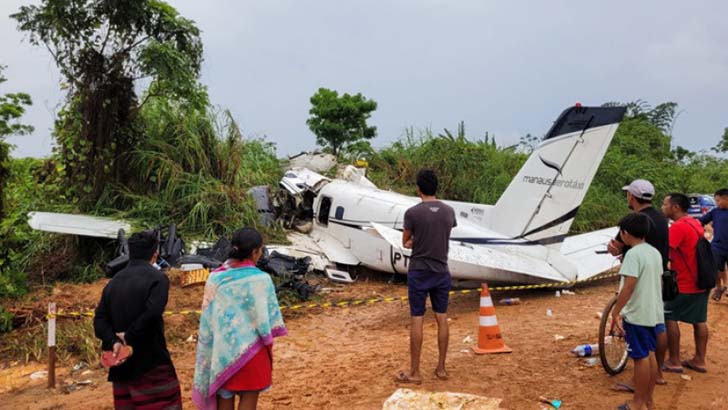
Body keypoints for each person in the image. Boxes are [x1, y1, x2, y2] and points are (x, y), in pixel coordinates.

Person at [193, 228, 287, 410]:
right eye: (260, 250)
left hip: (222, 353)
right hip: (254, 353)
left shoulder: (214, 278)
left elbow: (209, 320)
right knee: (249, 401)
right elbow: (269, 318)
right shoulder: (262, 280)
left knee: (224, 400)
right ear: (254, 252)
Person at [93, 231, 182, 410]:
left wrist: (114, 341)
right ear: (155, 254)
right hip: (152, 363)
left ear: (130, 253)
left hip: (122, 367)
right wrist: (130, 337)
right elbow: (152, 313)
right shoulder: (158, 279)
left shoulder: (113, 283)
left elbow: (99, 321)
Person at [396, 169, 457, 384]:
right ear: (436, 188)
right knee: (442, 318)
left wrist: (417, 241)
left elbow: (406, 242)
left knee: (417, 319)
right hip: (441, 271)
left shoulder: (412, 213)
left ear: (418, 189)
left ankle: (415, 372)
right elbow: (444, 235)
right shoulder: (449, 211)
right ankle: (441, 368)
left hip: (419, 271)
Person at [607, 179, 669, 390]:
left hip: (638, 301)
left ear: (631, 197)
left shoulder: (633, 226)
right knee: (654, 340)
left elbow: (629, 285)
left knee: (641, 354)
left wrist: (616, 311)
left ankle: (638, 389)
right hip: (654, 291)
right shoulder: (661, 219)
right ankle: (656, 376)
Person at [611, 213, 663, 410]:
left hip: (638, 314)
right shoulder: (654, 252)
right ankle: (648, 400)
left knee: (640, 359)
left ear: (624, 233)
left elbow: (629, 286)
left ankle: (637, 404)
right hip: (654, 312)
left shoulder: (633, 255)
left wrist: (616, 311)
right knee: (649, 355)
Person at [661, 193, 709, 373]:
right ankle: (700, 359)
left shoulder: (678, 228)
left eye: (665, 204)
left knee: (670, 316)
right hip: (702, 280)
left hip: (685, 282)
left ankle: (674, 360)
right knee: (699, 320)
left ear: (675, 207)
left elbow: (665, 251)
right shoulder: (695, 223)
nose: (662, 207)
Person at [699, 188, 728, 302]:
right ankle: (718, 287)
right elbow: (701, 221)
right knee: (715, 267)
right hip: (718, 246)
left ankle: (726, 286)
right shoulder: (715, 212)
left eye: (718, 200)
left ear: (726, 199)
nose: (717, 203)